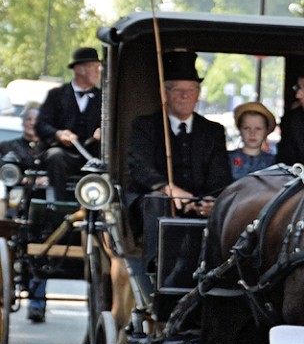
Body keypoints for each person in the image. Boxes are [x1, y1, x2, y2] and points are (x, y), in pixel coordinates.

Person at [126, 52, 232, 271]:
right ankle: (157, 269)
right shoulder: (145, 126)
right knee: (157, 200)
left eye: (190, 90)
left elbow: (220, 175)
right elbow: (139, 166)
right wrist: (169, 189)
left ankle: (218, 270)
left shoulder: (213, 131)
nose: (184, 96)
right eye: (177, 91)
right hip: (154, 202)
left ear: (198, 94)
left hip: (198, 202)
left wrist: (209, 201)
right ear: (165, 94)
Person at [35, 46, 102, 200]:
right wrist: (58, 134)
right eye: (93, 68)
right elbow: (42, 124)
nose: (98, 73)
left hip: (92, 156)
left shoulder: (104, 98)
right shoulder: (56, 95)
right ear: (79, 69)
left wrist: (103, 132)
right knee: (54, 156)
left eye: (98, 68)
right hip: (64, 155)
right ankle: (59, 204)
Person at [11, 108, 49, 321]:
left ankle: (36, 303)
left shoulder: (51, 149)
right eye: (28, 119)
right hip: (17, 212)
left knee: (41, 253)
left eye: (37, 119)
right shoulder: (9, 147)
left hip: (45, 216)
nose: (31, 123)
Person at [229, 101, 277, 180]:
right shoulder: (228, 159)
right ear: (240, 130)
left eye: (258, 129)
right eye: (246, 128)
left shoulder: (273, 162)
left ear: (266, 131)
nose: (252, 133)